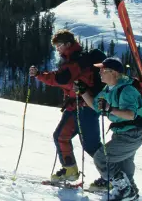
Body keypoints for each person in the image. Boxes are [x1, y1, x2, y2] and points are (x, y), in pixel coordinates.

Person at [29, 29, 103, 183]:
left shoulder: (78, 61)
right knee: (61, 136)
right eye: (56, 46)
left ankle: (112, 177)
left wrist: (39, 75)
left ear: (68, 44)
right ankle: (70, 170)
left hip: (86, 107)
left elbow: (61, 79)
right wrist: (40, 75)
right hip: (74, 107)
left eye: (60, 45)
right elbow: (62, 76)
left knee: (91, 145)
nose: (58, 49)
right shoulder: (72, 60)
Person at [79, 57, 142, 200]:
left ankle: (124, 189)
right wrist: (82, 91)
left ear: (114, 73)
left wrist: (110, 109)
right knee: (124, 166)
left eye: (103, 70)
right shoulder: (108, 89)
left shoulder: (127, 90)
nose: (100, 72)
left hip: (131, 134)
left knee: (102, 158)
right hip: (122, 134)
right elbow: (96, 106)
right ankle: (130, 193)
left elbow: (131, 115)